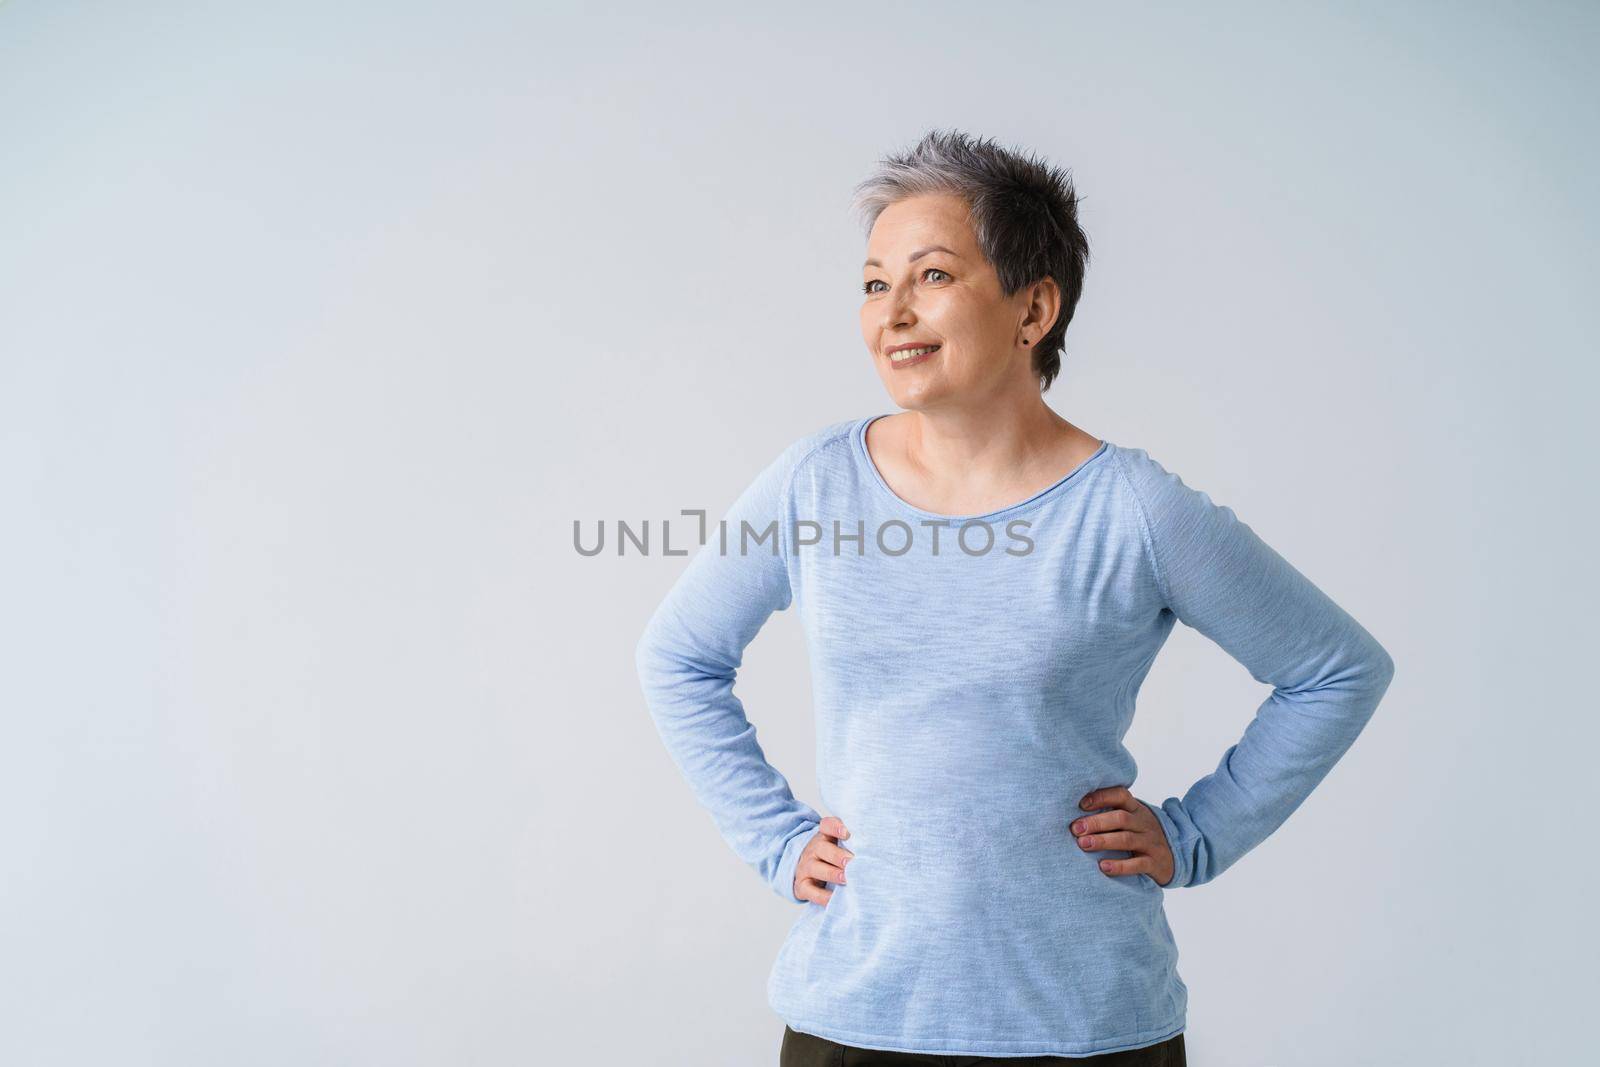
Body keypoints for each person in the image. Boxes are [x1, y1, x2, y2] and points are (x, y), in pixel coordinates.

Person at [634, 129, 1395, 1065]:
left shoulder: (1135, 508)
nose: (893, 313)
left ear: (1033, 308)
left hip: (1088, 1025)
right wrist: (777, 841)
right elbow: (678, 656)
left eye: (933, 276)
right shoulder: (813, 486)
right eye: (875, 284)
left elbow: (1335, 670)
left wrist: (1196, 833)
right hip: (855, 1018)